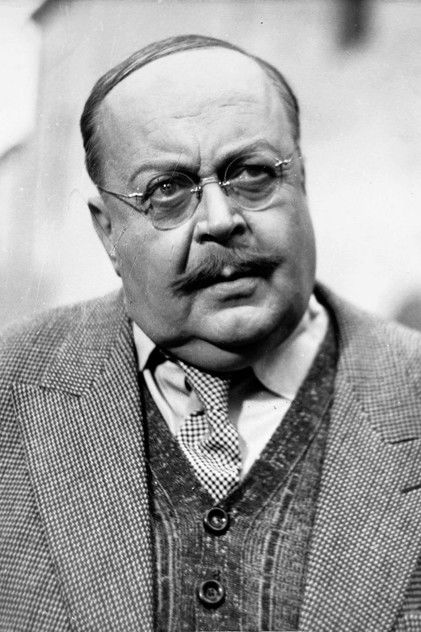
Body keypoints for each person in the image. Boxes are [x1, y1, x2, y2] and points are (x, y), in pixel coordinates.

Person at [1, 34, 421, 632]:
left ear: (303, 180)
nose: (221, 221)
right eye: (167, 190)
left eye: (251, 173)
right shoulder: (11, 388)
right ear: (108, 233)